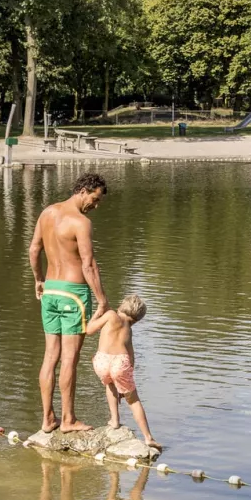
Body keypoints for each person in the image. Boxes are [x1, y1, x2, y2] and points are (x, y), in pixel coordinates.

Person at [30, 172, 111, 434]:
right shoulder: (80, 222)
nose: (95, 206)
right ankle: (67, 420)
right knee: (69, 360)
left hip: (51, 291)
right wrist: (102, 300)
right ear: (84, 190)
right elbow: (88, 264)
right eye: (95, 199)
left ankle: (47, 420)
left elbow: (34, 250)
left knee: (49, 357)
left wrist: (39, 280)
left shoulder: (47, 213)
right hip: (74, 294)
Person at [86, 294, 160, 451]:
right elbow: (131, 356)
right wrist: (126, 377)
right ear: (136, 320)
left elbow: (89, 330)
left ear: (121, 306)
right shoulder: (128, 329)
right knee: (133, 400)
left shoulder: (110, 315)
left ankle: (114, 420)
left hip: (101, 361)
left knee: (109, 384)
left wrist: (97, 314)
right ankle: (148, 437)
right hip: (120, 363)